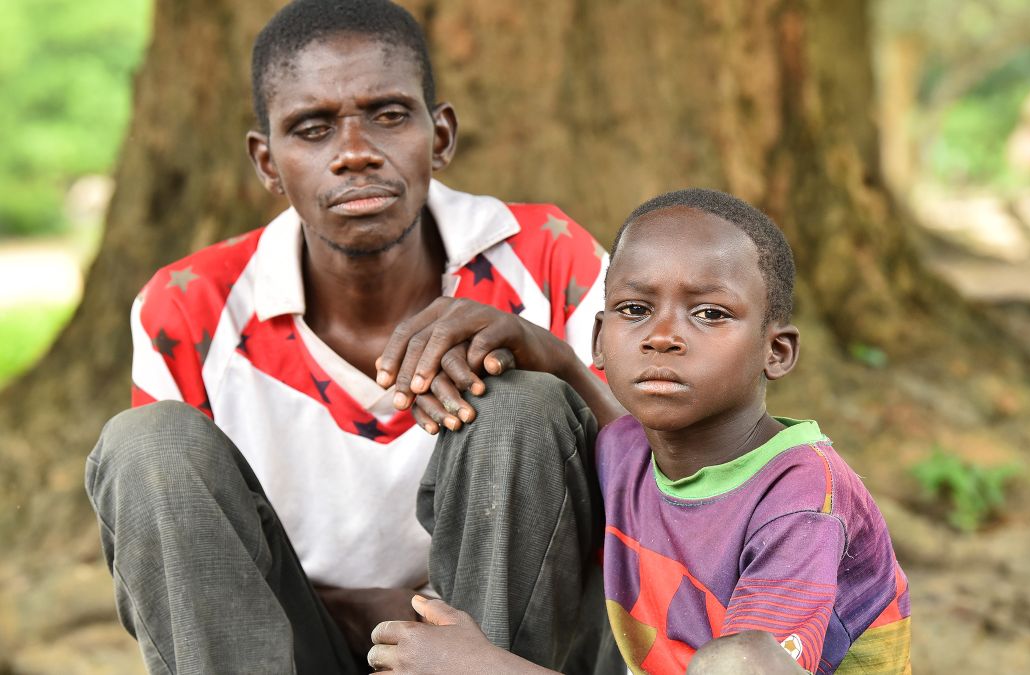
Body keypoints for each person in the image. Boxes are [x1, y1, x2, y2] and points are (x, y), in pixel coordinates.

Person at [83, 0, 623, 673]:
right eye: (312, 129)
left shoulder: (548, 260)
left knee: (523, 402)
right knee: (146, 444)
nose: (355, 155)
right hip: (285, 644)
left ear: (442, 135)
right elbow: (184, 562)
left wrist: (560, 360)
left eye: (390, 116)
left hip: (506, 649)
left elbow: (668, 494)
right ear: (267, 162)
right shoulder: (191, 309)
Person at [368, 189, 912, 674]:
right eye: (635, 309)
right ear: (601, 339)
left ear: (777, 350)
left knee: (736, 661)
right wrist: (554, 355)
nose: (662, 336)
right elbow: (609, 424)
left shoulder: (799, 500)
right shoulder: (635, 453)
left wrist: (481, 668)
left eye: (710, 313)